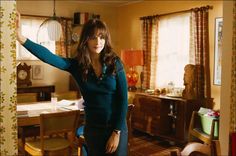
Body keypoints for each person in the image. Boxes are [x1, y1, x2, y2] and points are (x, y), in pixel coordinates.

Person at [17, 12, 128, 156]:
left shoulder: (115, 63)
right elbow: (49, 57)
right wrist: (20, 38)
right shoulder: (77, 66)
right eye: (93, 37)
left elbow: (123, 100)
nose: (98, 41)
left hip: (116, 129)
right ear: (86, 40)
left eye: (102, 37)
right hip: (93, 130)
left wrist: (116, 132)